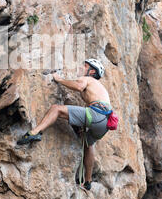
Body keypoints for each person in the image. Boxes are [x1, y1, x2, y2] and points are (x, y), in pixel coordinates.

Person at [16, 59, 112, 190]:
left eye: (85, 66)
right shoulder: (99, 88)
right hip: (105, 122)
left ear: (92, 71)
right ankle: (88, 181)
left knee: (57, 109)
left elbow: (79, 86)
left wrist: (59, 80)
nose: (81, 67)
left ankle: (34, 132)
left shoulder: (89, 79)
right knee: (88, 144)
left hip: (96, 115)